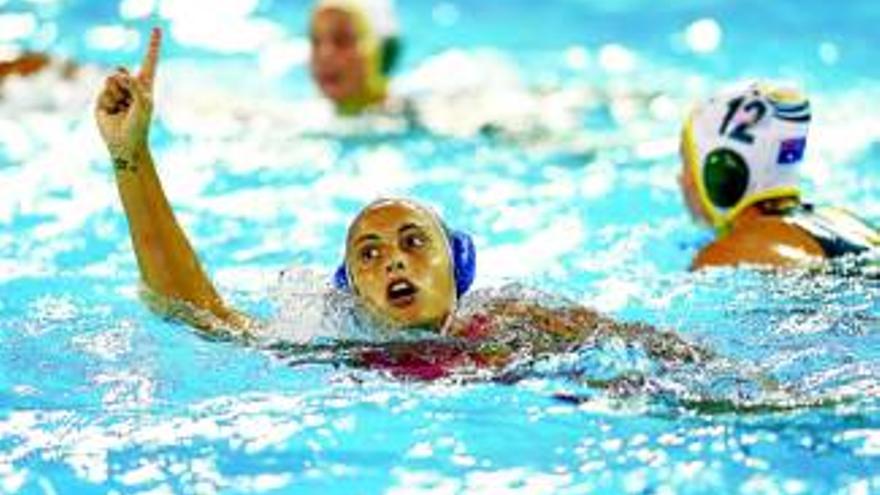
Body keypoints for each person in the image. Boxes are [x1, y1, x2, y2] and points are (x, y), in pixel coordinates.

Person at [95, 28, 706, 380]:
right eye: (370, 253)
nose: (393, 262)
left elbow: (650, 350)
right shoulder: (336, 344)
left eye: (414, 242)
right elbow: (195, 312)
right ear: (352, 290)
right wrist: (132, 158)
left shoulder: (521, 320)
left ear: (458, 265)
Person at [679, 81, 879, 270]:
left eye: (687, 163)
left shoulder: (728, 253)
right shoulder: (841, 218)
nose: (681, 180)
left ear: (721, 171)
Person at [309, 0, 401, 115]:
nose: (324, 54)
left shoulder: (413, 117)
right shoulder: (306, 117)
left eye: (342, 40)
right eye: (316, 41)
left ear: (381, 55)